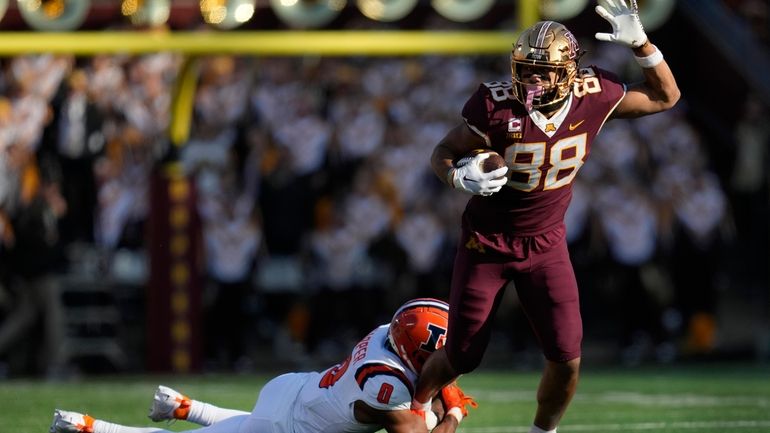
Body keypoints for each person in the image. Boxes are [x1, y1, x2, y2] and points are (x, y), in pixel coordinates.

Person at [410, 2, 680, 433]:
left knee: (566, 359)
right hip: (487, 243)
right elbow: (442, 152)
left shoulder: (594, 96)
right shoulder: (494, 105)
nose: (531, 79)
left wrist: (643, 46)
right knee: (464, 355)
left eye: (543, 71)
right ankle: (416, 407)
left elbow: (666, 96)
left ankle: (543, 432)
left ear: (569, 71)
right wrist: (457, 179)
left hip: (546, 244)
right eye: (525, 68)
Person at [50, 298, 477, 433]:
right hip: (282, 427)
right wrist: (452, 407)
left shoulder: (391, 331)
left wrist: (439, 386)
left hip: (292, 390)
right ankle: (90, 426)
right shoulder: (385, 384)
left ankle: (184, 407)